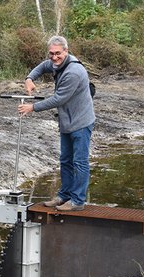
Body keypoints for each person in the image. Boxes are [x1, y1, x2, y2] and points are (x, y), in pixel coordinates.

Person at [18, 35, 95, 212]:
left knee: (80, 161)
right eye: (51, 53)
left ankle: (77, 201)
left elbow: (59, 98)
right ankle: (65, 195)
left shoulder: (74, 72)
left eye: (58, 53)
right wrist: (29, 78)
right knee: (65, 159)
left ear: (66, 51)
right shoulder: (55, 63)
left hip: (81, 122)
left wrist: (33, 107)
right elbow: (44, 66)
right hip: (66, 121)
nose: (54, 57)